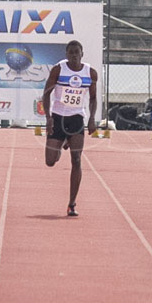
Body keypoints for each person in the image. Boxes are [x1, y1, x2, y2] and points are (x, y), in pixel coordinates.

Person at [41, 40, 99, 217]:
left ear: (82, 54)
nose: (74, 55)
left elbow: (93, 98)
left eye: (77, 52)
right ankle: (60, 145)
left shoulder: (90, 73)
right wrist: (48, 118)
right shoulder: (59, 69)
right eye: (71, 52)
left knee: (77, 159)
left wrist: (92, 119)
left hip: (76, 118)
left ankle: (72, 203)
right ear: (66, 55)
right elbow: (46, 93)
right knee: (50, 161)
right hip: (58, 117)